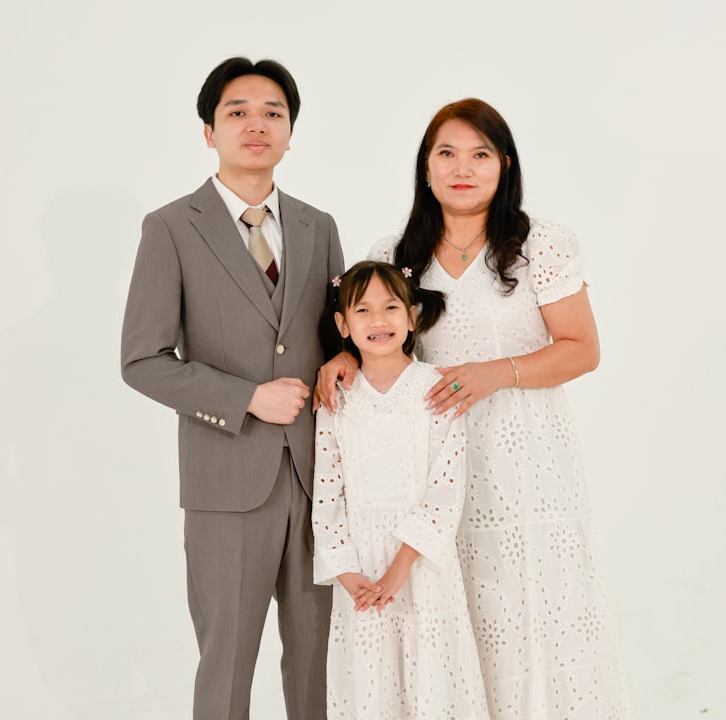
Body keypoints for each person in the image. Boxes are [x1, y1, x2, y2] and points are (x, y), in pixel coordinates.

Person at [317, 99, 631, 718]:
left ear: (504, 165)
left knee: (528, 614)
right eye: (447, 154)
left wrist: (497, 373)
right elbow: (374, 331)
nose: (463, 168)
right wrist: (345, 359)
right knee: (446, 623)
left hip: (525, 465)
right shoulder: (396, 252)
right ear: (425, 168)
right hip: (425, 471)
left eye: (480, 154)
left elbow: (583, 350)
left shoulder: (541, 245)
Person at [121, 57, 343, 720]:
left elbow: (339, 337)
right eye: (238, 112)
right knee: (227, 665)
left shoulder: (317, 226)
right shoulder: (170, 228)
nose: (257, 124)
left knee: (319, 664)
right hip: (225, 484)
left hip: (316, 479)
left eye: (273, 112)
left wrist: (345, 363)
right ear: (208, 131)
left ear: (290, 132)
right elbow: (142, 360)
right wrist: (247, 398)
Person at [312, 260, 490, 720]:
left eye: (391, 307)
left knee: (432, 677)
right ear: (342, 325)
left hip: (422, 565)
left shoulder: (438, 389)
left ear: (412, 317)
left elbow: (445, 490)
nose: (379, 320)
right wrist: (348, 573)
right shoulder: (337, 398)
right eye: (363, 310)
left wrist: (400, 569)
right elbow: (327, 496)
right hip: (361, 571)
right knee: (372, 683)